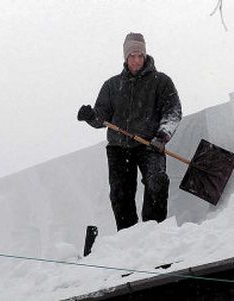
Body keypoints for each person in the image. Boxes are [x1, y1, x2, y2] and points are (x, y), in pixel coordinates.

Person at [77, 33, 182, 231]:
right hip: (119, 148)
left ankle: (153, 231)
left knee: (157, 182)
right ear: (126, 57)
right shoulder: (111, 86)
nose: (136, 60)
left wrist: (162, 136)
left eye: (140, 55)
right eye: (132, 55)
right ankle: (129, 238)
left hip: (151, 145)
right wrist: (90, 116)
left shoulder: (161, 82)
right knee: (120, 194)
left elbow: (173, 111)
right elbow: (102, 119)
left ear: (145, 56)